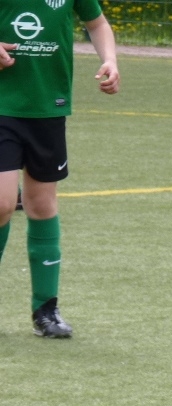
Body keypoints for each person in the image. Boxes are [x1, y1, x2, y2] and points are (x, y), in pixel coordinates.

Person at [0, 1, 120, 338]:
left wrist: (110, 60)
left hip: (48, 107)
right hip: (2, 105)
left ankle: (46, 308)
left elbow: (97, 24)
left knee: (41, 204)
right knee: (2, 203)